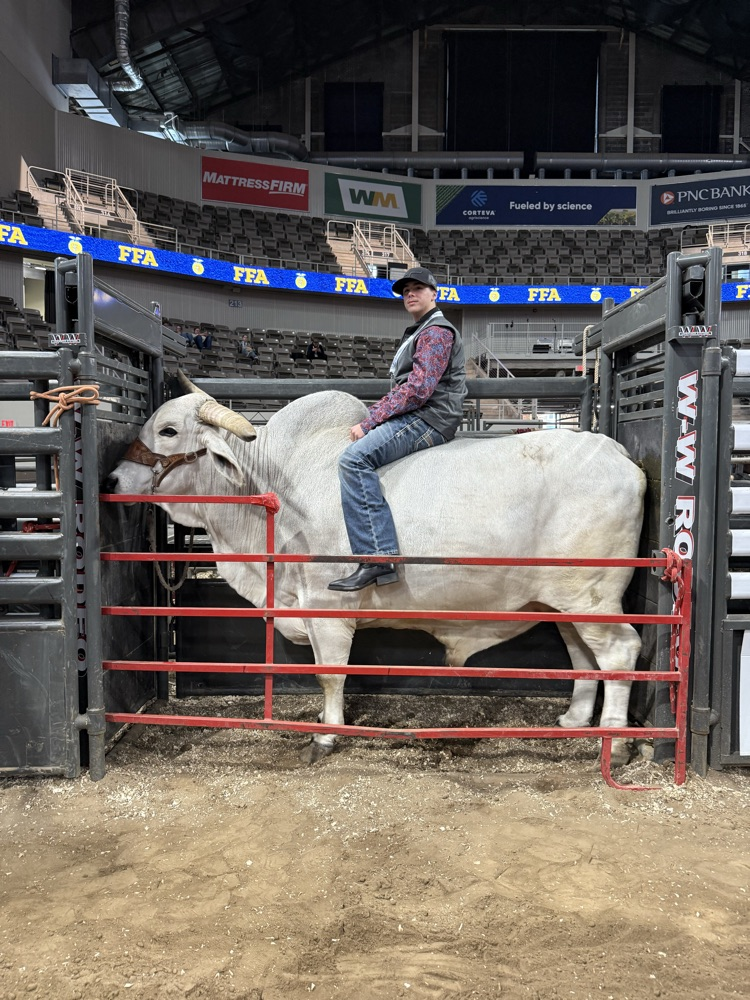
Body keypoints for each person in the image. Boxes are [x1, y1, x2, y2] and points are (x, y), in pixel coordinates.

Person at [329, 266, 467, 592]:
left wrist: (370, 420)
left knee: (353, 460)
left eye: (418, 288)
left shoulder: (436, 332)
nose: (410, 294)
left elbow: (418, 389)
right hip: (425, 413)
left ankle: (378, 558)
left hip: (429, 417)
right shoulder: (422, 330)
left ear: (434, 294)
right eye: (405, 290)